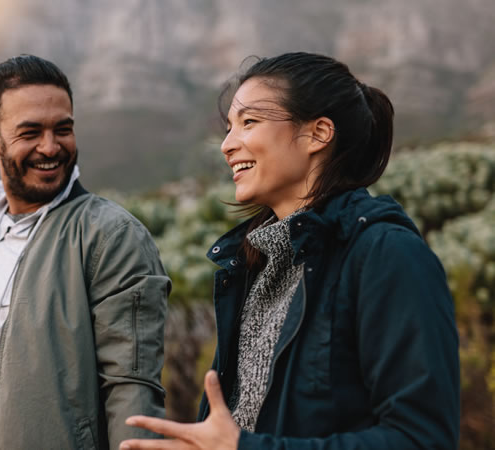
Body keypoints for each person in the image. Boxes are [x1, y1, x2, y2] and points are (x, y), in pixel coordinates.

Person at [120, 52, 460, 449]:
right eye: (229, 127)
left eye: (249, 122)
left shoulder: (388, 255)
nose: (228, 145)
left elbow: (422, 439)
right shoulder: (254, 265)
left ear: (318, 133)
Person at [0, 55, 170, 450]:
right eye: (30, 132)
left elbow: (133, 391)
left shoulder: (111, 236)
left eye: (63, 129)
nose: (50, 147)